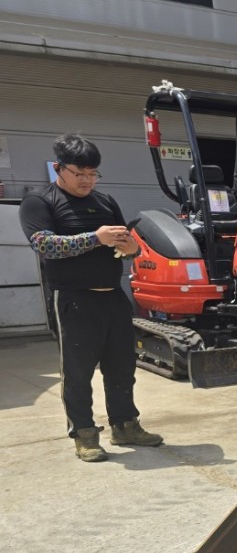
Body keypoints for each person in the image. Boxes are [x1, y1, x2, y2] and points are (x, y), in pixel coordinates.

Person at [19, 134, 163, 463]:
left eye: (92, 174)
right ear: (59, 168)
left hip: (113, 298)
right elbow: (45, 245)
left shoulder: (105, 202)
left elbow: (123, 246)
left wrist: (132, 249)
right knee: (78, 373)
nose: (87, 180)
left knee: (122, 367)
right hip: (74, 300)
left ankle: (125, 425)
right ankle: (84, 434)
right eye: (79, 173)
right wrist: (96, 238)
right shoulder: (39, 202)